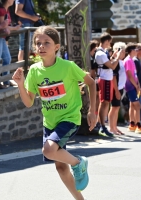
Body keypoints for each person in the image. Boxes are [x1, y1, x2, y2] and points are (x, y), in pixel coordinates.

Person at [12, 26, 96, 200]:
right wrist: (20, 84)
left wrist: (92, 111)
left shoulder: (68, 67)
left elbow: (92, 83)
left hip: (69, 119)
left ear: (57, 46)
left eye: (46, 43)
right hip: (50, 123)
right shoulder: (34, 71)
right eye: (38, 43)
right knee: (60, 167)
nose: (41, 46)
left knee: (48, 150)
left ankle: (79, 163)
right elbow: (28, 102)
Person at [95, 32, 121, 137]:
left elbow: (108, 64)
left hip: (107, 79)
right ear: (106, 41)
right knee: (104, 102)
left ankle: (102, 124)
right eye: (109, 42)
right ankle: (102, 125)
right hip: (105, 79)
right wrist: (118, 57)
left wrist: (113, 57)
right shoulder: (100, 53)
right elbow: (112, 66)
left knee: (106, 102)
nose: (110, 44)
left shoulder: (103, 52)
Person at [124, 43, 141, 134]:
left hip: (134, 86)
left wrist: (138, 85)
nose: (136, 51)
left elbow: (135, 75)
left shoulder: (132, 60)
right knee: (137, 105)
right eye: (135, 49)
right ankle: (138, 125)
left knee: (134, 105)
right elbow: (130, 75)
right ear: (131, 51)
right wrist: (136, 86)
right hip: (130, 86)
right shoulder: (128, 60)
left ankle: (133, 124)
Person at [0, 0, 21, 86]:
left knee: (7, 59)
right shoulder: (0, 10)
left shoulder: (7, 10)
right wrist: (15, 28)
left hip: (2, 38)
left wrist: (14, 28)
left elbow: (6, 26)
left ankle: (6, 80)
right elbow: (2, 26)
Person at [108, 42, 126, 135]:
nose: (124, 54)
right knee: (114, 107)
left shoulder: (121, 62)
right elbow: (114, 77)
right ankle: (111, 128)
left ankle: (115, 127)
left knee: (117, 107)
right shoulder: (116, 62)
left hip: (121, 87)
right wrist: (116, 91)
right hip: (117, 87)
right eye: (123, 51)